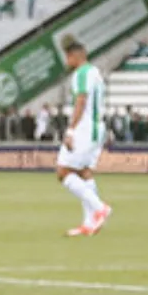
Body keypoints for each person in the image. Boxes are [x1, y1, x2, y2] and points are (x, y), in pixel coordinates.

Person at [55, 37, 113, 237]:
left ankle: (99, 208)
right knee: (84, 172)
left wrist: (70, 130)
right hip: (98, 127)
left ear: (73, 57)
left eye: (67, 58)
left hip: (85, 129)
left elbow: (81, 101)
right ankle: (90, 223)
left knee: (63, 171)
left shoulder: (81, 73)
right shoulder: (95, 72)